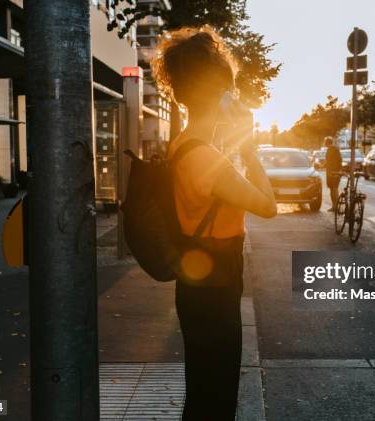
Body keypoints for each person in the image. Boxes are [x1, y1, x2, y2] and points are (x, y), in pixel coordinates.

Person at [152, 26, 277, 420]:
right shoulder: (207, 158)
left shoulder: (185, 145)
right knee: (216, 399)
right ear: (221, 93)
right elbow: (268, 206)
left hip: (198, 289)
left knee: (205, 393)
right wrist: (251, 147)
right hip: (214, 293)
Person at [324, 137, 342, 211]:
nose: (324, 143)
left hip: (334, 173)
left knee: (334, 189)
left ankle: (336, 206)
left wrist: (338, 171)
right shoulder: (329, 149)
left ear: (327, 142)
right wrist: (322, 165)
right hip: (330, 172)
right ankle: (334, 206)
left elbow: (339, 160)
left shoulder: (334, 149)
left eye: (324, 142)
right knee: (332, 189)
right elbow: (328, 161)